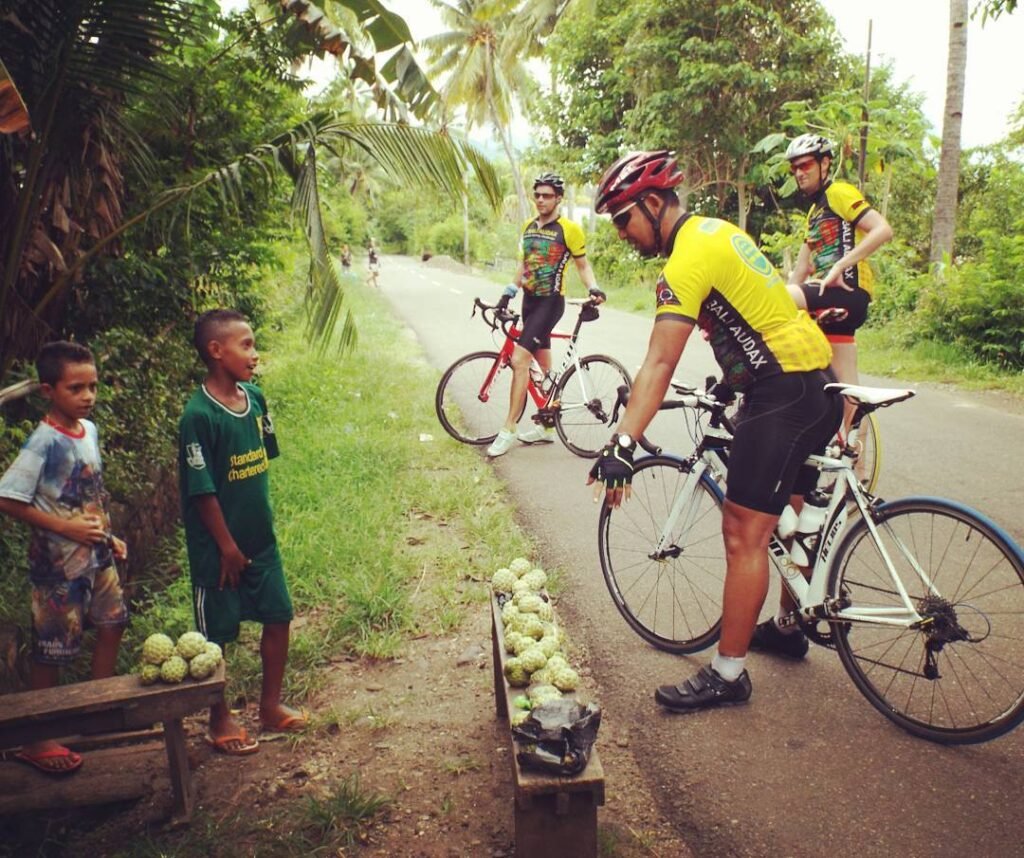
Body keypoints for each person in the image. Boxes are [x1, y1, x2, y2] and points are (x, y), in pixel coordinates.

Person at [588, 150, 842, 712]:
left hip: (781, 396)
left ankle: (728, 676)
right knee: (787, 518)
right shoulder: (720, 232)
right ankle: (787, 624)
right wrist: (732, 382)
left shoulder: (682, 262)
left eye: (623, 219)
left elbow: (658, 363)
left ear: (652, 204)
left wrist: (622, 444)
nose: (623, 233)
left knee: (743, 532)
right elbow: (756, 311)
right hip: (816, 387)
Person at [178, 309, 306, 755]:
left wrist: (254, 533)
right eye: (246, 345)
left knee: (278, 615)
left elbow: (259, 460)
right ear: (216, 351)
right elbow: (203, 490)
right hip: (218, 550)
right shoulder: (197, 416)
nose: (254, 354)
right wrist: (227, 547)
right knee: (218, 635)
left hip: (259, 540)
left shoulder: (255, 399)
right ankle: (220, 718)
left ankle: (269, 706)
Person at [0, 341, 129, 774]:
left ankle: (98, 708)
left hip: (96, 555)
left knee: (113, 623)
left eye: (93, 386)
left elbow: (88, 492)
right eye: (76, 388)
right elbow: (8, 499)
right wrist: (67, 528)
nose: (88, 396)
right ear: (48, 391)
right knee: (52, 648)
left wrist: (107, 536)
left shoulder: (88, 431)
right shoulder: (42, 442)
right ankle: (39, 738)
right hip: (57, 566)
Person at [486, 172, 606, 457]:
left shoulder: (569, 230)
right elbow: (523, 267)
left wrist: (594, 288)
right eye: (537, 194)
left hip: (550, 303)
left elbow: (582, 266)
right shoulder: (528, 227)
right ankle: (547, 424)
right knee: (545, 372)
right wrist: (508, 293)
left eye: (547, 195)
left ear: (558, 198)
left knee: (519, 360)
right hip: (529, 301)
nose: (541, 200)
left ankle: (508, 429)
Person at [784, 133, 893, 431]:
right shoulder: (814, 212)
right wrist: (788, 298)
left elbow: (882, 230)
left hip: (847, 292)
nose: (799, 172)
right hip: (835, 304)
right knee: (848, 390)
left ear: (825, 163)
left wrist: (842, 265)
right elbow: (802, 268)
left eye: (805, 165)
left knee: (770, 303)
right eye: (794, 168)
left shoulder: (839, 193)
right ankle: (856, 469)